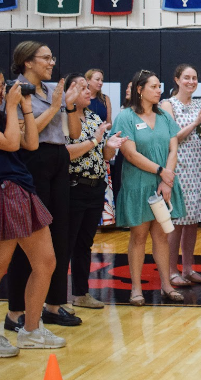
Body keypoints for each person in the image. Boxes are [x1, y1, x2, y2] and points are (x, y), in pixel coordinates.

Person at [0, 64, 66, 356]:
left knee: (46, 261)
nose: (6, 89)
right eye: (0, 85)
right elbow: (12, 143)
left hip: (22, 189)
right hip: (1, 191)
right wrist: (12, 107)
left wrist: (24, 107)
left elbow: (30, 143)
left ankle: (31, 330)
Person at [5, 41, 82, 332]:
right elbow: (27, 133)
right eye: (46, 58)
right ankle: (16, 311)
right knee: (29, 239)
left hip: (58, 158)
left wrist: (69, 104)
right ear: (27, 62)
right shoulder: (15, 90)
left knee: (59, 235)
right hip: (31, 160)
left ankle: (52, 304)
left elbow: (73, 133)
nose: (52, 62)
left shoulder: (53, 91)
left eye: (52, 57)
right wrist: (54, 107)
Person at [111, 70, 187, 305]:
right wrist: (160, 171)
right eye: (153, 86)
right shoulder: (125, 117)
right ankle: (136, 289)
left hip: (163, 184)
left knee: (162, 236)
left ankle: (166, 285)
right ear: (139, 89)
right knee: (139, 236)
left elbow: (173, 148)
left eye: (159, 86)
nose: (159, 90)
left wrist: (166, 179)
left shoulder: (164, 117)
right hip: (138, 185)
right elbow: (130, 154)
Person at [64, 73, 126, 310]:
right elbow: (68, 152)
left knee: (84, 243)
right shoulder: (62, 118)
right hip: (73, 186)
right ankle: (58, 299)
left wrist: (109, 147)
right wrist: (94, 142)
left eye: (87, 87)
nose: (89, 91)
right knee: (66, 243)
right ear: (70, 92)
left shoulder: (93, 116)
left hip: (95, 187)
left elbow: (104, 156)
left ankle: (81, 293)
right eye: (82, 88)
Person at [160, 64, 201, 288]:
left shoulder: (198, 104)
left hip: (199, 166)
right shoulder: (168, 104)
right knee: (177, 221)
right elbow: (172, 138)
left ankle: (188, 268)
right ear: (176, 79)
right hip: (180, 165)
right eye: (187, 78)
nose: (191, 82)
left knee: (192, 221)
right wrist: (196, 123)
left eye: (194, 78)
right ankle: (172, 270)